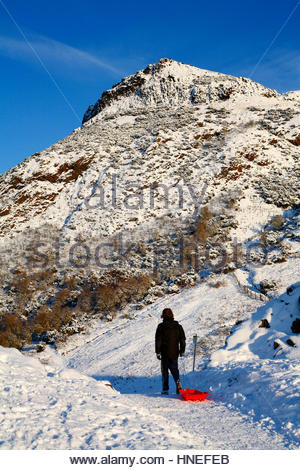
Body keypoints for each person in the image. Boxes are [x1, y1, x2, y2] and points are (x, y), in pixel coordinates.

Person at [155, 308, 186, 395]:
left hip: (164, 352)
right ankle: (178, 382)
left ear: (163, 316)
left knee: (165, 371)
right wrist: (182, 350)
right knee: (174, 369)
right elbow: (182, 339)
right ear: (172, 315)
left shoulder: (161, 327)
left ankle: (165, 389)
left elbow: (158, 340)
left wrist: (157, 352)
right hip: (174, 352)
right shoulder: (178, 326)